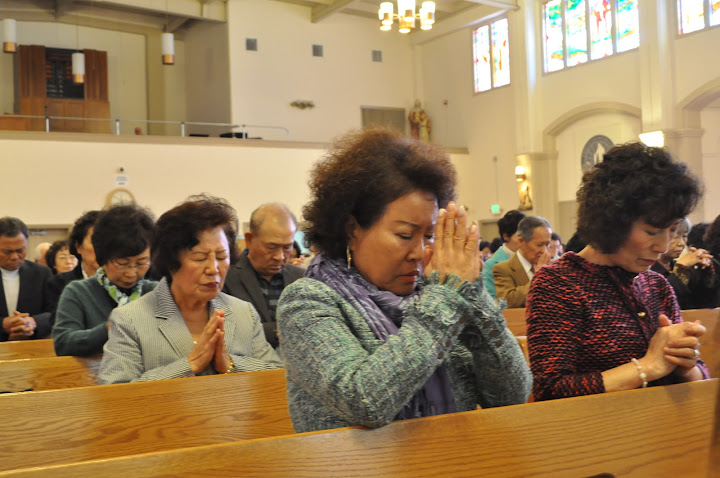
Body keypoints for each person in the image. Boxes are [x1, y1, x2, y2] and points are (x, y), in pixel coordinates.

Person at [278, 129, 531, 433]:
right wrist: (447, 297)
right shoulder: (307, 301)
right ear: (352, 229)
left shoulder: (436, 296)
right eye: (405, 235)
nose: (420, 252)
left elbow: (511, 395)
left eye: (429, 236)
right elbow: (365, 401)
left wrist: (473, 297)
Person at [527, 143, 709, 401]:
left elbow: (699, 375)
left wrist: (686, 365)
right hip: (601, 435)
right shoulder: (559, 282)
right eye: (651, 231)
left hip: (666, 430)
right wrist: (647, 367)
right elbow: (551, 388)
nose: (664, 246)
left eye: (672, 230)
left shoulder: (657, 285)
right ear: (612, 221)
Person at [98, 195, 282, 384]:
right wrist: (189, 365)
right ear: (171, 262)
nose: (213, 269)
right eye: (200, 258)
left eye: (221, 256)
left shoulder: (243, 313)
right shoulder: (131, 320)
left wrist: (229, 364)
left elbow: (277, 376)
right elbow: (116, 390)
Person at [53, 205, 157, 356]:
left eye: (141, 263)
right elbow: (63, 343)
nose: (131, 272)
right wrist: (110, 327)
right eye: (122, 263)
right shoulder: (78, 292)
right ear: (102, 257)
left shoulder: (156, 292)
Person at [222, 203, 305, 348]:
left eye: (287, 247)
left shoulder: (301, 278)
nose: (279, 257)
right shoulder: (225, 277)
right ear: (249, 239)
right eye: (271, 247)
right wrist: (283, 330)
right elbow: (230, 332)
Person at [0, 217, 53, 341]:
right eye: (7, 252)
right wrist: (3, 324)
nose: (14, 257)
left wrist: (33, 322)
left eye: (20, 250)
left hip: (33, 346)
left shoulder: (42, 273)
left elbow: (56, 311)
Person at [651, 217, 717, 310]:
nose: (681, 243)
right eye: (675, 237)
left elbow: (706, 303)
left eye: (684, 236)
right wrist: (680, 269)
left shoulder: (688, 269)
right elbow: (658, 302)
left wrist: (705, 269)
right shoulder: (646, 270)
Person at [493, 216, 552, 308]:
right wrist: (538, 278)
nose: (545, 251)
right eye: (539, 245)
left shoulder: (552, 266)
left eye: (547, 245)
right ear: (521, 241)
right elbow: (507, 301)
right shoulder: (503, 269)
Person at [482, 210, 526, 298]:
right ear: (506, 236)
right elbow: (490, 299)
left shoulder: (530, 258)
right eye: (519, 236)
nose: (524, 240)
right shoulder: (491, 265)